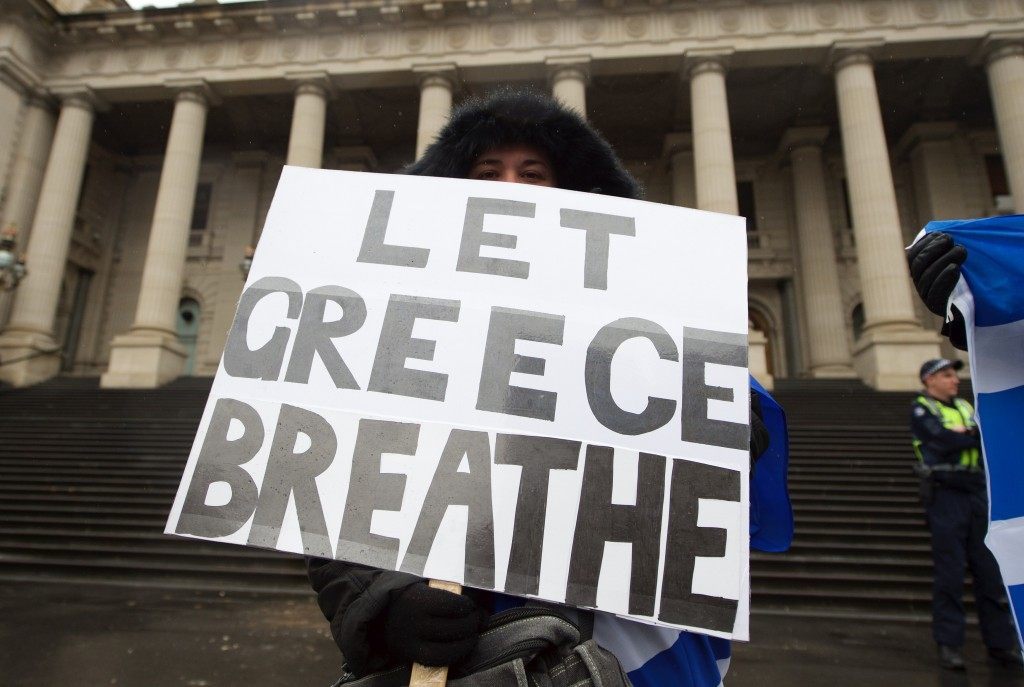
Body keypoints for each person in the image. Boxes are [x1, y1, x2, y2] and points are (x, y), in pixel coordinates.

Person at [308, 88, 791, 686]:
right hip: (478, 646)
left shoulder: (650, 318)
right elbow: (346, 483)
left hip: (626, 644)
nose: (510, 186)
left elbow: (730, 468)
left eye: (532, 173)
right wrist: (386, 608)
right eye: (489, 172)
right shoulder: (402, 328)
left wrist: (723, 422)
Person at [911, 356, 1019, 670]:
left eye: (953, 375)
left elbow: (982, 435)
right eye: (946, 375)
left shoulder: (966, 409)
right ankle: (950, 644)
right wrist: (966, 434)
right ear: (929, 380)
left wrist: (964, 433)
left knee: (990, 573)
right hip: (945, 494)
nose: (954, 380)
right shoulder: (922, 408)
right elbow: (941, 440)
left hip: (976, 494)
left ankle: (1001, 645)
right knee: (950, 573)